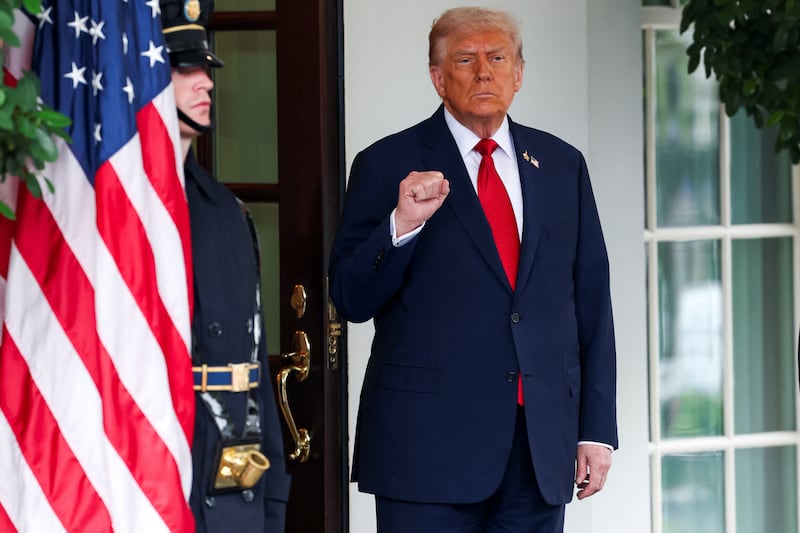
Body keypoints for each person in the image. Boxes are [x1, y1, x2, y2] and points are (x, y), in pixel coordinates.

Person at [329, 6, 617, 532]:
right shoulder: (386, 164)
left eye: (498, 58)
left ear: (519, 73)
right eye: (465, 60)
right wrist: (401, 224)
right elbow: (350, 297)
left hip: (538, 448)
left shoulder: (561, 164)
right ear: (438, 78)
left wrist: (595, 430)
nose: (484, 72)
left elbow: (592, 303)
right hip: (425, 451)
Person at [160, 0, 291, 530]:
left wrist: (273, 496)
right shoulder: (107, 216)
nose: (206, 83)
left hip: (231, 479)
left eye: (205, 68)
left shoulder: (227, 213)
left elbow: (251, 367)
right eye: (183, 68)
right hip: (154, 472)